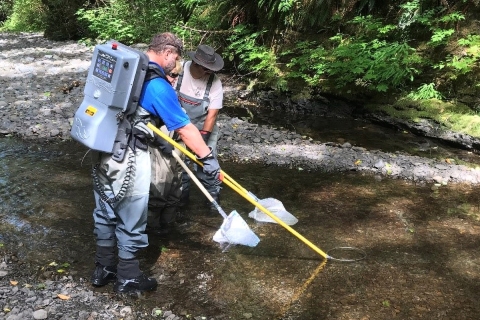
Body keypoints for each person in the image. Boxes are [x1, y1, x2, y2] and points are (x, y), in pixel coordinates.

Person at [90, 33, 222, 294]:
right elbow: (185, 129)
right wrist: (207, 158)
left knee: (104, 211)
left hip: (101, 148)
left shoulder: (125, 70)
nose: (176, 62)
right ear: (168, 53)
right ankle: (128, 277)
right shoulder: (156, 84)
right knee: (132, 215)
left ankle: (103, 269)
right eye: (177, 57)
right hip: (127, 156)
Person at [175, 44, 225, 211]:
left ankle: (213, 199)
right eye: (206, 70)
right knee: (179, 164)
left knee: (207, 166)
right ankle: (182, 199)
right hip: (179, 126)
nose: (209, 73)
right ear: (196, 64)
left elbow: (212, 114)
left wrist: (201, 140)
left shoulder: (215, 83)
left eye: (211, 70)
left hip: (204, 127)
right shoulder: (179, 71)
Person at [147, 61, 185, 236]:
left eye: (176, 76)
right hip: (160, 140)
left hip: (178, 140)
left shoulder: (173, 87)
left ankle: (168, 228)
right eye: (171, 75)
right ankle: (152, 232)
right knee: (158, 189)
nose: (173, 79)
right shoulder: (154, 85)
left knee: (176, 187)